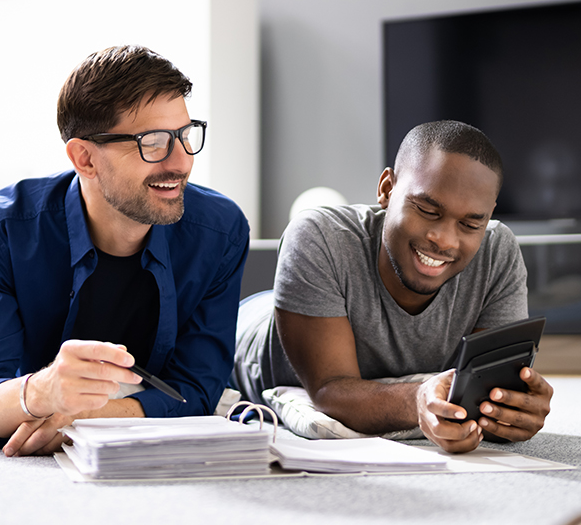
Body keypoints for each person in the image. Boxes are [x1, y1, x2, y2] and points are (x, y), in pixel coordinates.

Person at [0, 45, 250, 456]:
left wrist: (84, 417)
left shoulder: (221, 231)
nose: (181, 162)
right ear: (84, 158)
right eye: (154, 142)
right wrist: (42, 391)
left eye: (185, 134)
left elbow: (196, 391)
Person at [232, 120, 552, 453]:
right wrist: (418, 399)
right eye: (427, 210)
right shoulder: (319, 237)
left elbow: (485, 389)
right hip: (250, 325)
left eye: (471, 223)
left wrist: (511, 409)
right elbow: (330, 392)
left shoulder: (497, 251)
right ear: (387, 188)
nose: (443, 240)